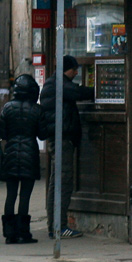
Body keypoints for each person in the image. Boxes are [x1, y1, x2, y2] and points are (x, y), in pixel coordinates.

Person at [39, 54, 95, 238]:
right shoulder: (58, 84)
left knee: (58, 182)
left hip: (61, 139)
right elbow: (78, 93)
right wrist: (101, 90)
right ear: (67, 69)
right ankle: (59, 227)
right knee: (62, 183)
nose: (77, 72)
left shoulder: (55, 83)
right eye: (74, 69)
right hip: (61, 140)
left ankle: (55, 226)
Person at [0, 75, 43, 244]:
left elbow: (2, 134)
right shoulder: (37, 110)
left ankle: (9, 233)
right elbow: (42, 133)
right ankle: (24, 233)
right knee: (25, 195)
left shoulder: (7, 108)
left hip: (11, 154)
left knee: (10, 194)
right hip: (29, 154)